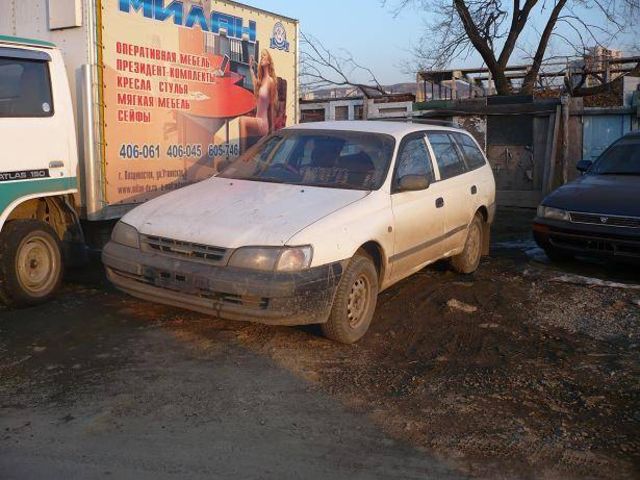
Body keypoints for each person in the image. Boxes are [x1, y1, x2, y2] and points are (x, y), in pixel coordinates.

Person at [239, 50, 278, 153]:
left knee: (242, 120)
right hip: (257, 120)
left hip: (263, 123)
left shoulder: (271, 81)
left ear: (269, 61)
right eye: (261, 56)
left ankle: (242, 157)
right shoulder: (261, 81)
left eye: (264, 56)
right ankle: (245, 157)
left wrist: (272, 132)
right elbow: (255, 83)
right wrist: (251, 68)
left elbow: (272, 107)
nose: (261, 58)